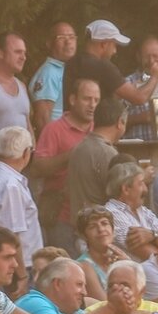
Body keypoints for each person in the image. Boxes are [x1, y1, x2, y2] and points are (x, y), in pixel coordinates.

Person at [30, 80, 100, 254]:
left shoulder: (99, 129)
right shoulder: (54, 130)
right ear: (72, 99)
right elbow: (38, 168)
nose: (92, 105)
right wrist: (75, 154)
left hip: (95, 219)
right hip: (63, 218)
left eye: (96, 100)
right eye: (87, 99)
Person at [0, 126, 42, 282]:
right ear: (26, 153)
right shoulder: (10, 184)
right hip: (19, 267)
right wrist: (22, 275)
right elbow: (12, 234)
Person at [62, 19, 158, 108]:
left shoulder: (72, 63)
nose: (115, 51)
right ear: (104, 44)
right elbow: (139, 98)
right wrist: (156, 76)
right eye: (114, 45)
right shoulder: (103, 67)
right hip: (95, 127)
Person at [66, 94, 125, 222]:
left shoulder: (79, 148)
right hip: (99, 229)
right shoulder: (108, 153)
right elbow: (121, 197)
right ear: (120, 122)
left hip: (82, 228)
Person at [104, 161, 158, 261]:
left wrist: (152, 235)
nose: (145, 189)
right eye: (141, 183)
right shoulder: (111, 214)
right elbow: (153, 257)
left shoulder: (144, 211)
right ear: (126, 189)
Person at [29, 22, 77, 132]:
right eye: (61, 37)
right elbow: (42, 119)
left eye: (72, 37)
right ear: (49, 43)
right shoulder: (49, 72)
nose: (68, 41)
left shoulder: (65, 70)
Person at [75, 206, 127, 300]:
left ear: (113, 230)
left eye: (104, 223)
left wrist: (128, 264)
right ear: (84, 236)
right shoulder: (84, 266)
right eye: (93, 226)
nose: (101, 229)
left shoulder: (120, 259)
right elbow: (104, 303)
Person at [122, 35, 158, 141]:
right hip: (136, 148)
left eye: (155, 56)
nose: (151, 61)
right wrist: (139, 118)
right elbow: (114, 121)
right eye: (147, 56)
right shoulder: (127, 83)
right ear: (138, 56)